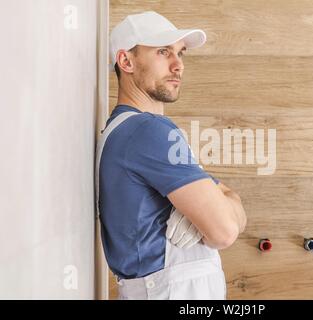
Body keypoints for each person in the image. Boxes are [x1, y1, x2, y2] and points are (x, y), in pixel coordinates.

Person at [95, 11, 247, 300]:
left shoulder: (125, 130)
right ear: (126, 61)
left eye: (181, 53)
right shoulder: (148, 131)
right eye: (163, 52)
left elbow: (229, 206)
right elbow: (225, 231)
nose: (178, 65)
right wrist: (226, 202)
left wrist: (227, 202)